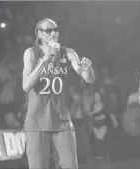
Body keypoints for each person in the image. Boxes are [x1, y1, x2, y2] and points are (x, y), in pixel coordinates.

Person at [22, 18, 95, 169]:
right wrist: (46, 59)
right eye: (49, 30)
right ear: (39, 34)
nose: (54, 33)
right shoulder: (31, 53)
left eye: (56, 29)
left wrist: (88, 68)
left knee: (71, 166)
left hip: (61, 119)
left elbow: (89, 79)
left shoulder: (68, 53)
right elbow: (26, 85)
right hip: (37, 121)